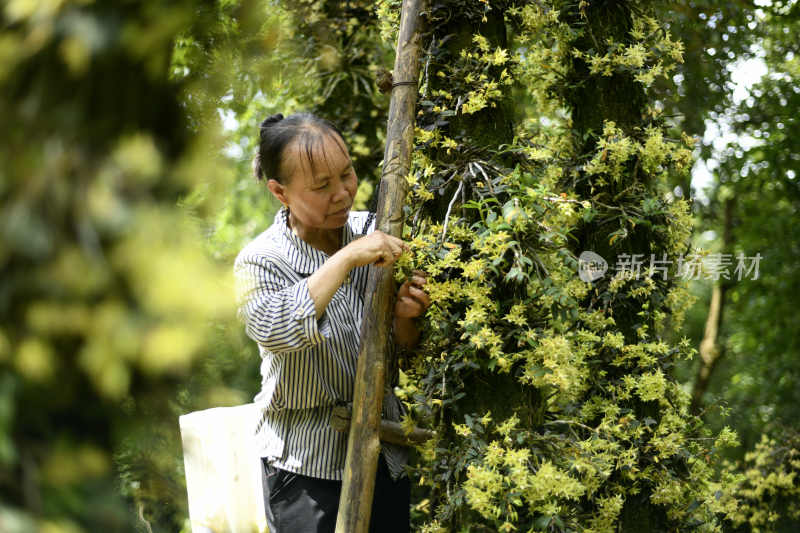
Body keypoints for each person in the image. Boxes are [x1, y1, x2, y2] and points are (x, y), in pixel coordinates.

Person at [234, 112, 430, 533]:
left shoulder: (377, 232)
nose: (342, 193)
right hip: (306, 466)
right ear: (280, 192)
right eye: (322, 186)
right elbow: (277, 328)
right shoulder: (261, 260)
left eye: (347, 175)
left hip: (382, 455)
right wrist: (347, 258)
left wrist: (405, 317)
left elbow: (403, 350)